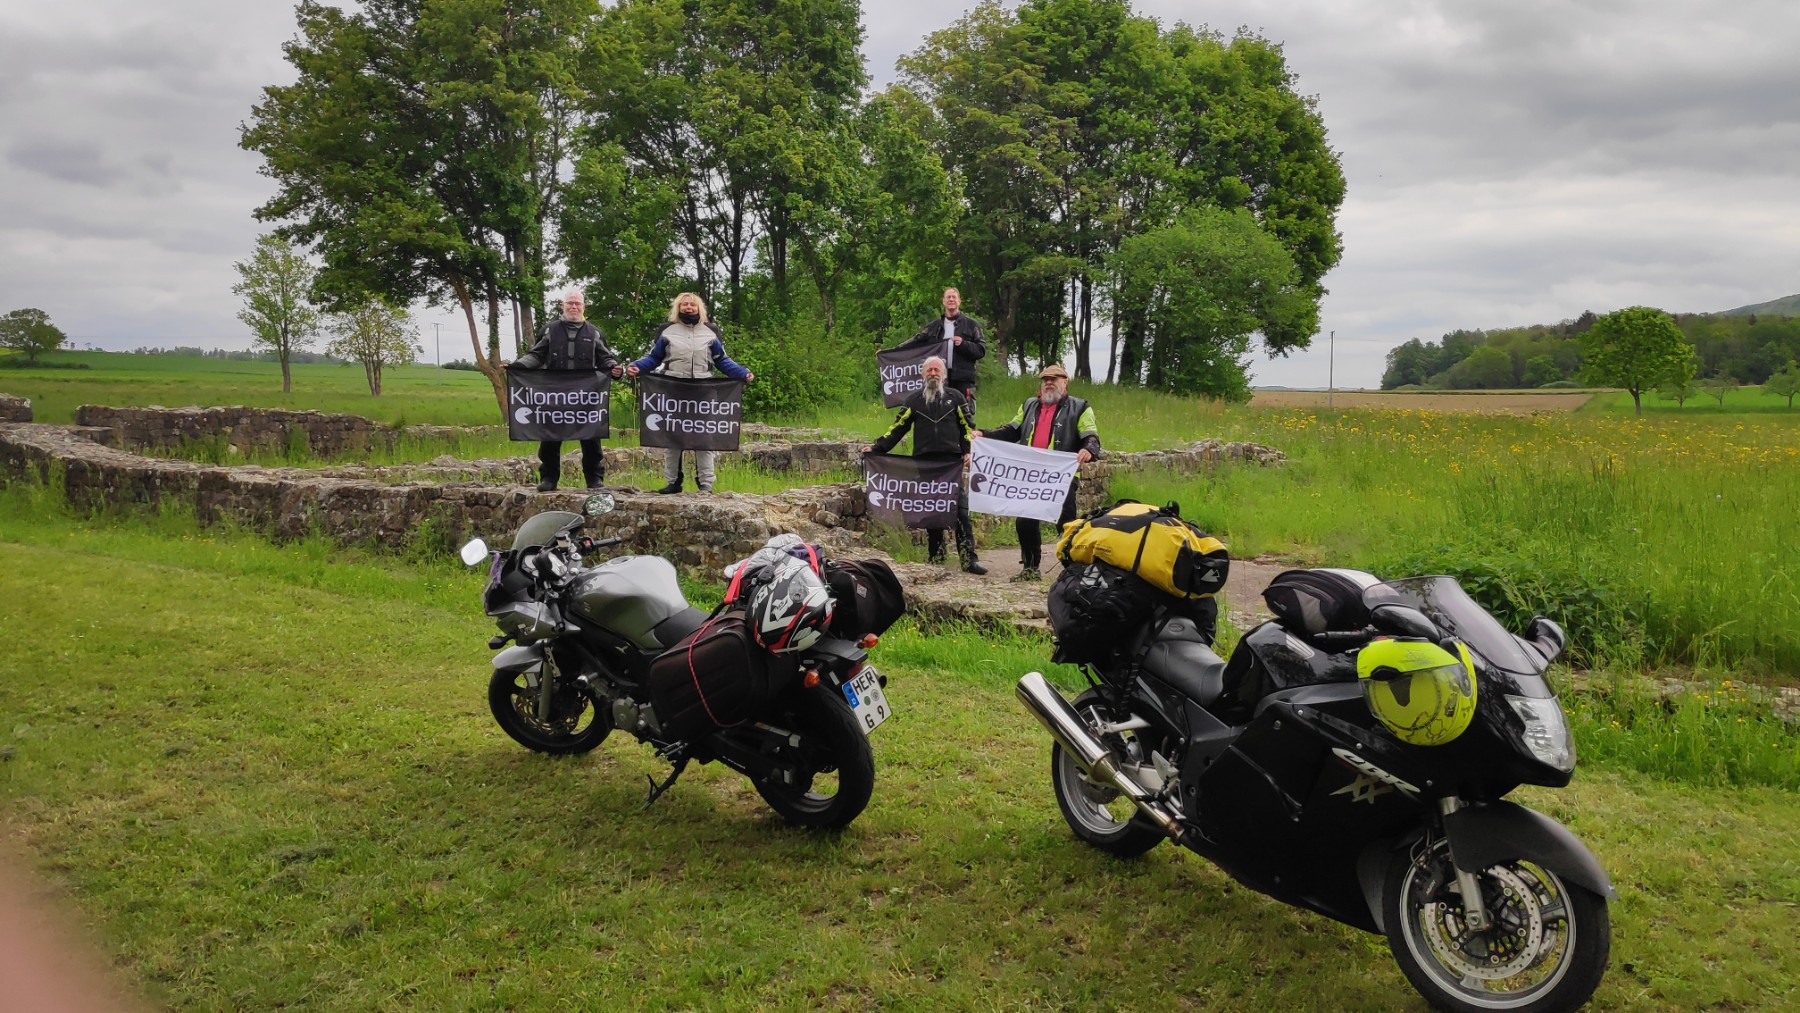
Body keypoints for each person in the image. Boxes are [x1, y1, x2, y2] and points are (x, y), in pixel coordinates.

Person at [974, 363, 1100, 582]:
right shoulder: (1029, 405)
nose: (1049, 383)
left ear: (1065, 381)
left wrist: (1089, 449)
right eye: (1045, 380)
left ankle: (1073, 572)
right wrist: (984, 434)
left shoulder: (1080, 407)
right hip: (1030, 476)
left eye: (1054, 379)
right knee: (1025, 522)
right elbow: (1011, 430)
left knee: (1066, 523)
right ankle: (1030, 568)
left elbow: (1091, 435)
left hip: (1061, 476)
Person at [863, 356, 987, 575]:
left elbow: (968, 428)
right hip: (924, 464)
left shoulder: (956, 398)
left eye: (936, 370)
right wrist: (877, 447)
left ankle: (969, 560)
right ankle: (936, 556)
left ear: (943, 375)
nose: (933, 373)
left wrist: (968, 451)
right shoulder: (913, 400)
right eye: (929, 370)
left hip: (950, 465)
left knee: (961, 512)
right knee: (931, 511)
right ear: (923, 374)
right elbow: (897, 428)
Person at [625, 292, 753, 494]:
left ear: (699, 308)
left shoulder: (711, 332)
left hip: (703, 391)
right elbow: (654, 358)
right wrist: (637, 367)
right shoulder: (667, 331)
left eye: (692, 304)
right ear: (678, 308)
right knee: (672, 438)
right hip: (673, 390)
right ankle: (673, 482)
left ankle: (706, 483)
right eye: (684, 304)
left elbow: (721, 360)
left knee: (705, 438)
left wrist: (742, 372)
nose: (688, 307)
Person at [512, 288, 622, 492]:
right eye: (570, 303)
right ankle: (549, 478)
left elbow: (605, 358)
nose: (573, 306)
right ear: (563, 306)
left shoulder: (595, 333)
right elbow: (536, 355)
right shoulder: (549, 330)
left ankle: (594, 479)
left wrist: (615, 369)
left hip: (586, 394)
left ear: (583, 307)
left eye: (577, 303)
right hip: (554, 393)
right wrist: (516, 366)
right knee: (550, 438)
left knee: (591, 438)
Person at [902, 287, 986, 417]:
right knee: (939, 415)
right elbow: (915, 341)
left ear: (959, 301)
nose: (951, 299)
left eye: (954, 297)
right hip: (939, 378)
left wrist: (964, 344)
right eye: (948, 297)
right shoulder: (934, 327)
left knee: (965, 415)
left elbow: (981, 350)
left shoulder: (972, 325)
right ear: (943, 301)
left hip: (963, 379)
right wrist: (890, 351)